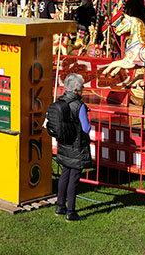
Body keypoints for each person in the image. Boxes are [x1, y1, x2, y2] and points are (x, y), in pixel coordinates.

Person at [53, 73, 91, 222]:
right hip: (77, 146)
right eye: (82, 87)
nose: (83, 90)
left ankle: (60, 206)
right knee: (74, 179)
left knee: (65, 175)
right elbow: (86, 128)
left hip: (64, 144)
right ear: (75, 89)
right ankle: (71, 212)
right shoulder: (79, 105)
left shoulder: (60, 101)